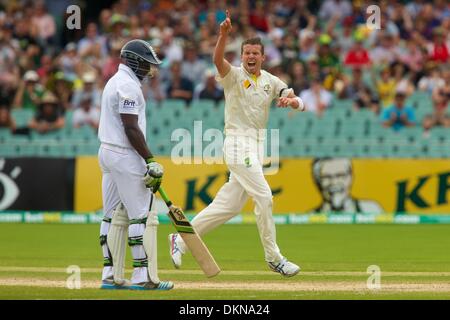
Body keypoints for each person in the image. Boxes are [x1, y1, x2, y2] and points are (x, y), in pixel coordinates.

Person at [168, 11, 304, 277]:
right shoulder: (232, 75)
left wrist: (293, 102)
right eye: (247, 53)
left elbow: (297, 100)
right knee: (264, 197)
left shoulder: (271, 81)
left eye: (256, 53)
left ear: (263, 57)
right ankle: (274, 257)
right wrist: (223, 36)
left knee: (227, 207)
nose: (251, 57)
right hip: (236, 145)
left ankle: (181, 240)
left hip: (255, 148)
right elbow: (217, 60)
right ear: (242, 56)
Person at [97, 39, 173, 290]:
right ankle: (143, 276)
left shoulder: (114, 81)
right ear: (135, 61)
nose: (151, 70)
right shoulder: (128, 86)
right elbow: (131, 127)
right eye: (148, 64)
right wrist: (150, 159)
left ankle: (109, 274)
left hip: (107, 153)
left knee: (109, 216)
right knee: (140, 215)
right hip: (125, 154)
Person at [309, 158, 383, 214]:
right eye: (327, 177)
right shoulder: (310, 217)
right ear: (317, 181)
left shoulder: (371, 210)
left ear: (350, 178)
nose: (334, 182)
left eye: (340, 175)